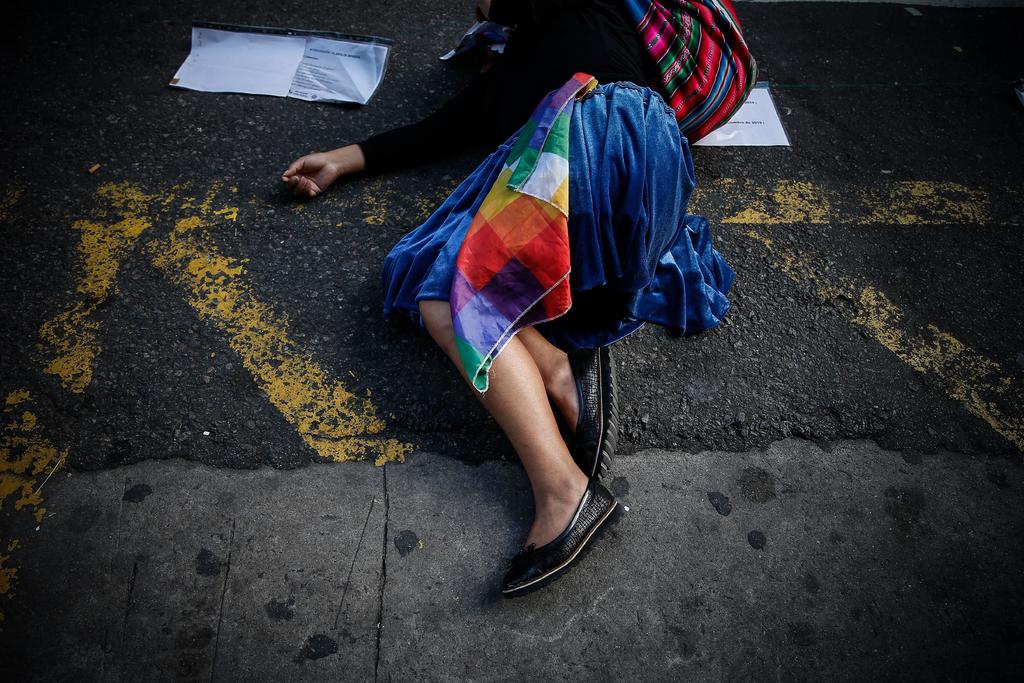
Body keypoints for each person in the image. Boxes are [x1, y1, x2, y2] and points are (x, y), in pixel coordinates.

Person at [282, 0, 745, 597]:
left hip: (598, 137)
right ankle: (560, 371)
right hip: (639, 176)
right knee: (434, 271)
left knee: (446, 295)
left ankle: (564, 486)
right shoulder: (529, 58)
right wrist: (344, 160)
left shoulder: (573, 13)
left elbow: (483, 88)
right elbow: (454, 123)